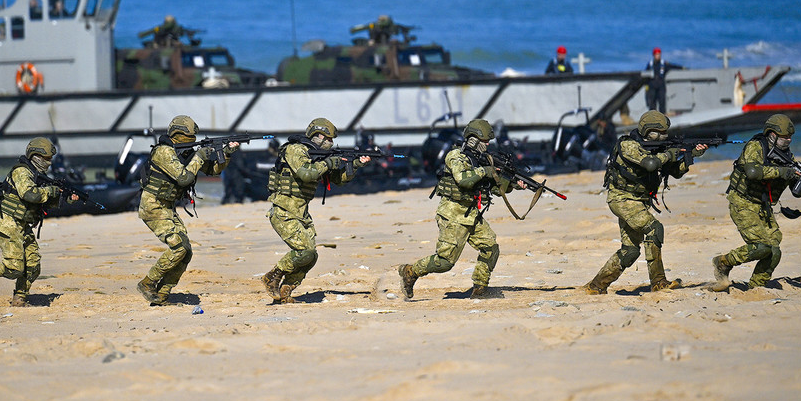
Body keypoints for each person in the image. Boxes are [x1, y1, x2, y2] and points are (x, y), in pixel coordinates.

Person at [397, 119, 528, 300]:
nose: (488, 145)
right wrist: (486, 171)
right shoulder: (455, 156)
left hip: (471, 213)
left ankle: (480, 289)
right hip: (452, 214)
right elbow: (463, 180)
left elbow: (496, 189)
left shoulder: (482, 160)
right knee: (445, 262)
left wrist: (514, 185)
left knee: (490, 247)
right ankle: (410, 272)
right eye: (485, 141)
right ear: (474, 139)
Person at [583, 110, 708, 294]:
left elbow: (676, 171)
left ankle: (596, 286)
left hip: (639, 201)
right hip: (622, 199)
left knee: (630, 251)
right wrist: (670, 154)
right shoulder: (629, 145)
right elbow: (650, 164)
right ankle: (658, 282)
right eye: (660, 132)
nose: (664, 136)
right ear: (649, 131)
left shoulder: (658, 150)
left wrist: (692, 155)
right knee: (654, 228)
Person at [261, 118, 371, 303]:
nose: (331, 143)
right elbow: (306, 173)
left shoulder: (318, 157)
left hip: (301, 213)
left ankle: (286, 290)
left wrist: (357, 164)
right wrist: (329, 162)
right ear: (318, 136)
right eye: (328, 139)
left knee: (311, 257)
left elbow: (338, 180)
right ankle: (272, 275)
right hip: (284, 210)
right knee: (305, 252)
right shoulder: (295, 150)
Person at [711, 114, 801, 291]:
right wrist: (784, 172)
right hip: (742, 202)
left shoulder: (786, 156)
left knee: (774, 251)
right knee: (761, 247)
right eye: (785, 136)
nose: (788, 140)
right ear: (772, 134)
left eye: (790, 137)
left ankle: (757, 286)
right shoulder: (756, 147)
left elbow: (795, 190)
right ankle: (723, 262)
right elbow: (753, 172)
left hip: (763, 207)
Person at [134, 115, 238, 306]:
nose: (190, 140)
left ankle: (162, 293)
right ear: (177, 134)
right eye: (187, 136)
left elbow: (214, 170)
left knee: (186, 252)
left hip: (166, 206)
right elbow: (184, 178)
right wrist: (199, 156)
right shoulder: (164, 152)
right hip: (153, 204)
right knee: (178, 247)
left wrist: (227, 152)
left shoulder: (186, 153)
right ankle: (148, 283)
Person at [0, 137, 78, 307]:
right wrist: (51, 190)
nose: (49, 163)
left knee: (33, 265)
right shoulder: (22, 172)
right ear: (36, 156)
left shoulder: (37, 175)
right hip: (9, 223)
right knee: (14, 268)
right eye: (46, 159)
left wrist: (66, 198)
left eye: (50, 159)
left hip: (23, 225)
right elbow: (30, 194)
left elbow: (42, 200)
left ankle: (19, 298)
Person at [645, 47, 683, 113]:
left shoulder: (664, 64)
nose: (658, 56)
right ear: (654, 55)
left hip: (661, 85)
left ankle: (662, 117)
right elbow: (645, 74)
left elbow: (673, 66)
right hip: (652, 85)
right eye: (656, 54)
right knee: (652, 103)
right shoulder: (650, 64)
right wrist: (646, 86)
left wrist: (682, 68)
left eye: (659, 54)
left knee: (662, 102)